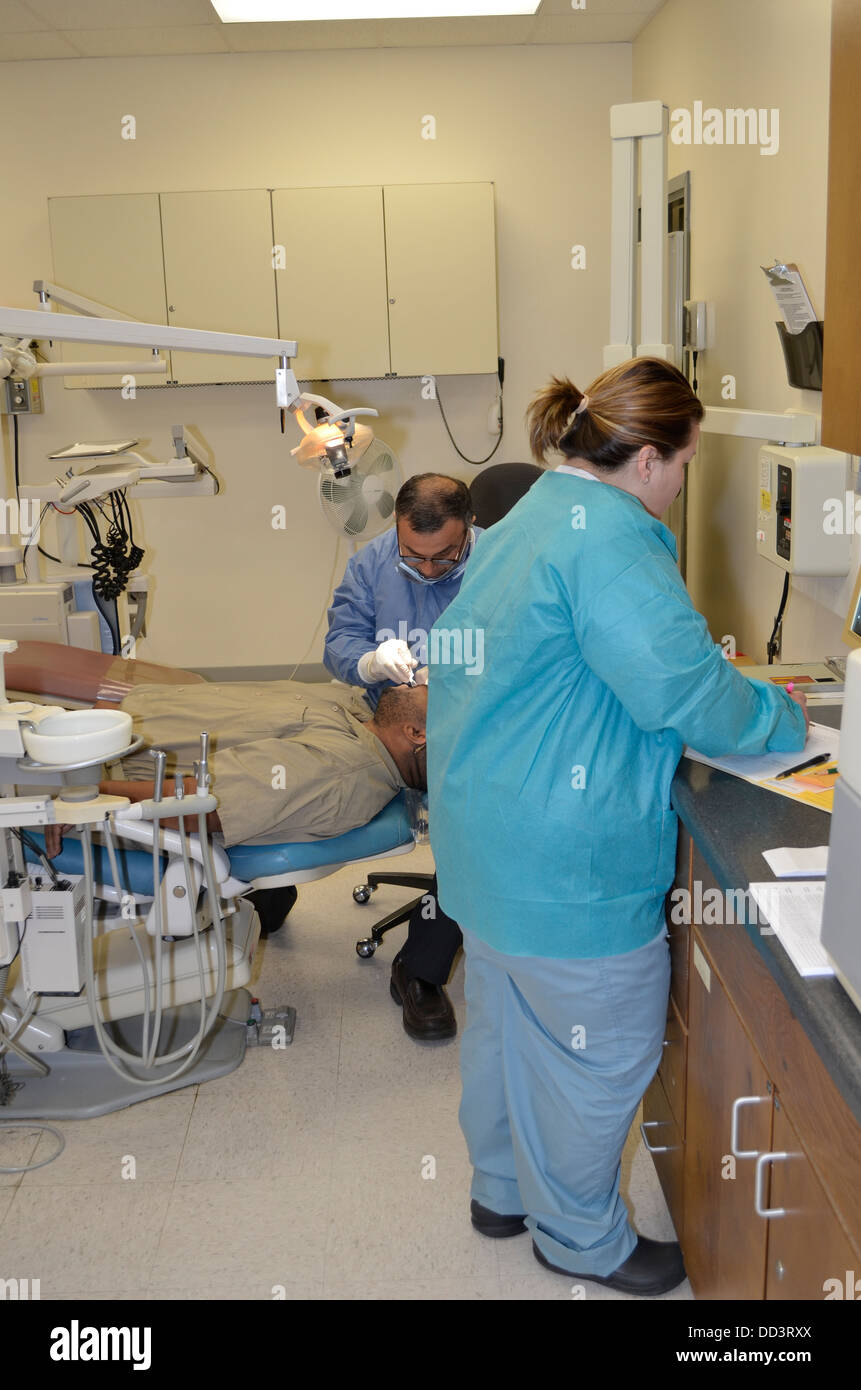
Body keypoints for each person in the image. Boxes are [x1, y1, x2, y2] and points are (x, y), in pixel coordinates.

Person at [426, 358, 810, 1296]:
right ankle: (579, 1241)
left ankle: (501, 1191)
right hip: (564, 863)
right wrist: (789, 721)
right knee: (601, 1057)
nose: (681, 485)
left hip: (484, 840)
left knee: (508, 1029)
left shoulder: (533, 516)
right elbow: (687, 692)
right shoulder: (613, 541)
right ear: (645, 460)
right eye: (682, 464)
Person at [324, 474, 481, 1041]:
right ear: (397, 532)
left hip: (471, 730)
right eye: (415, 557)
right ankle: (270, 894)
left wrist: (471, 679)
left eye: (446, 557)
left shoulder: (500, 566)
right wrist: (367, 663)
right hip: (384, 721)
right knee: (305, 784)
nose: (431, 571)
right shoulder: (372, 565)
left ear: (468, 530)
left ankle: (418, 971)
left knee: (476, 836)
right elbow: (339, 644)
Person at [44, 681, 427, 857]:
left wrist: (78, 797)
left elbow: (198, 805)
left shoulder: (339, 770)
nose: (424, 682)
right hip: (105, 723)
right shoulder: (360, 715)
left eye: (431, 691)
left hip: (87, 765)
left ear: (415, 733)